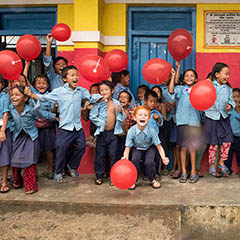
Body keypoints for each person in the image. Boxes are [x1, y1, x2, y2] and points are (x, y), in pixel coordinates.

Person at [26, 66, 90, 183]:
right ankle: (58, 171)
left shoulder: (81, 91)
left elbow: (89, 98)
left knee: (81, 146)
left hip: (77, 126)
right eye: (72, 75)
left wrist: (88, 102)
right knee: (61, 149)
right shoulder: (59, 92)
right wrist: (31, 95)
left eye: (76, 75)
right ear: (65, 79)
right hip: (65, 127)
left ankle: (72, 165)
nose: (75, 77)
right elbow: (44, 98)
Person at [123, 105, 169, 190]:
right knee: (134, 160)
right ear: (134, 118)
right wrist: (125, 157)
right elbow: (128, 148)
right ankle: (133, 180)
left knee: (149, 162)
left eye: (145, 115)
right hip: (137, 147)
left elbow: (159, 146)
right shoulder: (131, 131)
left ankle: (153, 179)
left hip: (149, 147)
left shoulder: (152, 131)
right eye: (140, 115)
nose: (142, 117)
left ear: (148, 119)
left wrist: (163, 157)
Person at [169, 68, 202, 183]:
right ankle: (184, 171)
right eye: (187, 76)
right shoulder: (180, 89)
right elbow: (171, 90)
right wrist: (173, 76)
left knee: (192, 148)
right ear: (183, 78)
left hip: (194, 122)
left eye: (192, 76)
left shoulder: (199, 90)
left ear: (196, 79)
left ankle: (193, 171)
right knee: (183, 147)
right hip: (182, 121)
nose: (189, 78)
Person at [89, 80, 125, 185]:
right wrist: (101, 123)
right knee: (100, 155)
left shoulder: (116, 103)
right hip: (102, 133)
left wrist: (120, 112)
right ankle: (99, 176)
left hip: (113, 133)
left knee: (114, 155)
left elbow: (122, 117)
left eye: (106, 89)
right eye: (101, 90)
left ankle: (113, 177)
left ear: (112, 91)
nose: (104, 92)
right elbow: (92, 116)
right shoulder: (98, 103)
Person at [204, 62, 234, 178]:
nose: (228, 76)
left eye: (229, 74)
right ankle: (212, 165)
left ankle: (221, 162)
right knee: (213, 143)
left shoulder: (228, 88)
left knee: (227, 140)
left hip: (224, 117)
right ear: (217, 74)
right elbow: (202, 96)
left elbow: (231, 100)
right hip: (211, 117)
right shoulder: (209, 85)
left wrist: (230, 106)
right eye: (225, 74)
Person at [9, 85, 41, 195]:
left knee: (29, 162)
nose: (14, 97)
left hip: (31, 137)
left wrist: (31, 95)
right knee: (14, 160)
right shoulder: (11, 109)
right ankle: (17, 181)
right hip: (18, 136)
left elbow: (38, 105)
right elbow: (8, 120)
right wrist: (13, 128)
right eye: (12, 95)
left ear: (25, 98)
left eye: (17, 95)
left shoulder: (31, 109)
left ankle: (30, 186)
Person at [32, 74, 57, 179]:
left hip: (47, 127)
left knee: (49, 149)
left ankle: (50, 169)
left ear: (48, 85)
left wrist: (55, 108)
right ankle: (35, 172)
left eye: (43, 83)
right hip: (35, 127)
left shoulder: (50, 96)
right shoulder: (32, 96)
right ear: (34, 85)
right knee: (34, 150)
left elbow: (53, 112)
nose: (41, 85)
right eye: (38, 83)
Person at [225, 88, 240, 175]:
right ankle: (227, 169)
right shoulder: (229, 109)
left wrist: (237, 108)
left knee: (239, 153)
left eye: (237, 97)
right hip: (229, 136)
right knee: (228, 154)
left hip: (238, 136)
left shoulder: (238, 109)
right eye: (233, 97)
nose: (235, 99)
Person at [117, 90, 136, 161]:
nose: (122, 99)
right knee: (117, 154)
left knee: (127, 155)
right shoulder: (115, 111)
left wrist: (135, 115)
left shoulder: (131, 113)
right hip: (117, 137)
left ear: (129, 102)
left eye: (125, 97)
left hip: (127, 138)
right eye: (120, 97)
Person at [0, 76, 11, 193]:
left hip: (2, 129)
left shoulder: (4, 97)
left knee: (4, 156)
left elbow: (5, 113)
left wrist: (2, 130)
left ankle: (4, 182)